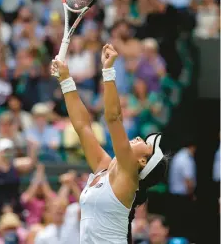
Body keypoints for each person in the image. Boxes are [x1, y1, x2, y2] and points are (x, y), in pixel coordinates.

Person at [51, 43, 168, 244]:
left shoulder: (128, 177)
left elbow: (113, 118)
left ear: (141, 162)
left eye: (145, 144)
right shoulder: (103, 169)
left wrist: (108, 71)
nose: (140, 138)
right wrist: (66, 80)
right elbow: (82, 126)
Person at [0, 138, 38, 223]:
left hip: (15, 206)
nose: (6, 153)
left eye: (9, 150)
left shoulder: (15, 164)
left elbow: (30, 164)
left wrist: (32, 148)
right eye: (4, 151)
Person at [168, 141, 197, 241]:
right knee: (183, 224)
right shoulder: (186, 158)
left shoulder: (179, 156)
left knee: (177, 223)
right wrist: (192, 195)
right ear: (192, 147)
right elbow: (188, 181)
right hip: (182, 198)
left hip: (174, 196)